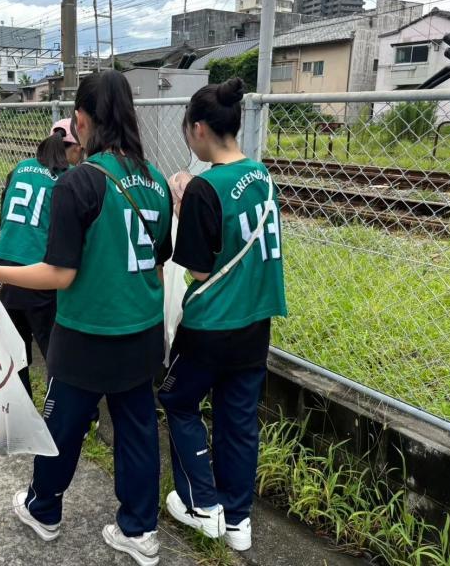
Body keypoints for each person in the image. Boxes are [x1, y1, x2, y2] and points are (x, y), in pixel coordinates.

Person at [0, 69, 173, 566]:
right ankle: (139, 530)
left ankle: (44, 509)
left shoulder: (80, 182)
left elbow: (59, 273)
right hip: (142, 331)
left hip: (87, 335)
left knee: (61, 424)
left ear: (81, 119)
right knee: (138, 430)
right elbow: (159, 260)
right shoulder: (157, 182)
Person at [158, 77, 287, 551]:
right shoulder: (262, 176)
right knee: (239, 419)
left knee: (177, 400)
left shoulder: (205, 187)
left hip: (211, 325)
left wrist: (180, 208)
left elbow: (197, 267)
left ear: (198, 129)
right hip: (256, 322)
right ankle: (238, 521)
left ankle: (202, 504)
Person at [0, 119, 82, 399]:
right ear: (75, 148)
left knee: (13, 352)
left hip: (3, 268)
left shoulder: (20, 168)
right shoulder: (69, 178)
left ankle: (21, 411)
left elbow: (3, 217)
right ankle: (68, 410)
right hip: (38, 273)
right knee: (57, 353)